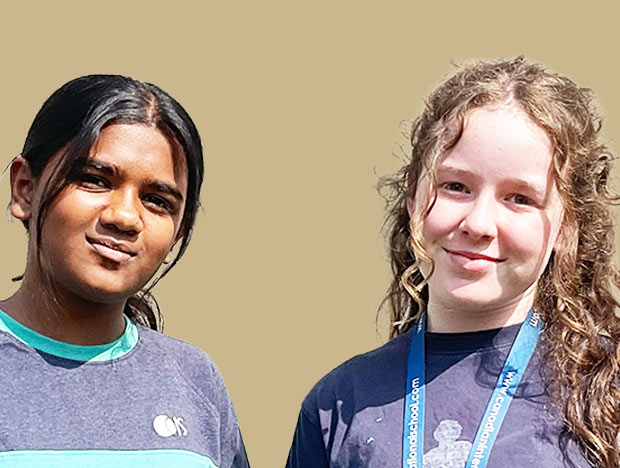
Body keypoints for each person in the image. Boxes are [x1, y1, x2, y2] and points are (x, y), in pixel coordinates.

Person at [286, 57, 620, 468]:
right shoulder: (339, 404)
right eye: (456, 186)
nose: (478, 224)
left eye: (519, 198)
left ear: (566, 226)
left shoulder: (608, 393)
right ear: (413, 197)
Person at [0, 75, 249, 467]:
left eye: (157, 200)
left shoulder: (195, 379)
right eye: (95, 180)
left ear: (179, 231)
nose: (125, 217)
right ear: (24, 189)